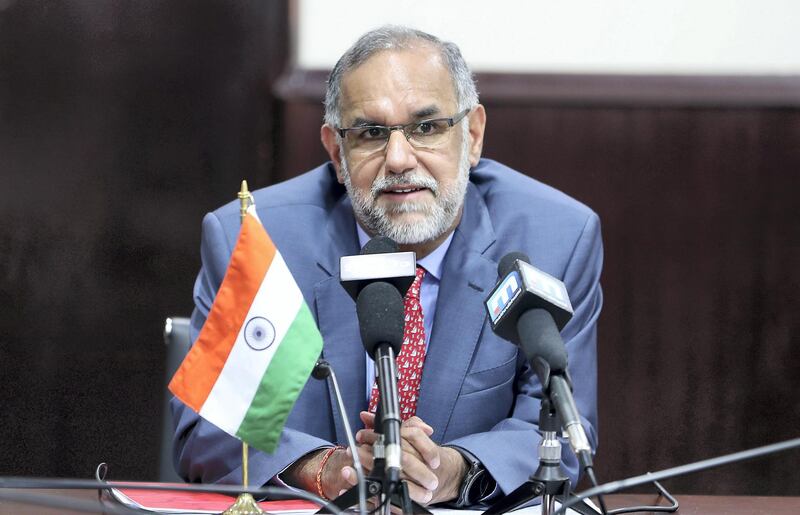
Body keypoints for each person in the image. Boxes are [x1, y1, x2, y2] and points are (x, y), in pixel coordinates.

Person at [171, 25, 602, 508]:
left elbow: (566, 428)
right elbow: (206, 432)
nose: (399, 159)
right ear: (337, 151)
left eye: (427, 127)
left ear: (473, 135)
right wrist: (325, 468)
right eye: (371, 134)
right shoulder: (256, 239)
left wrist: (456, 470)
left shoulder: (556, 237)